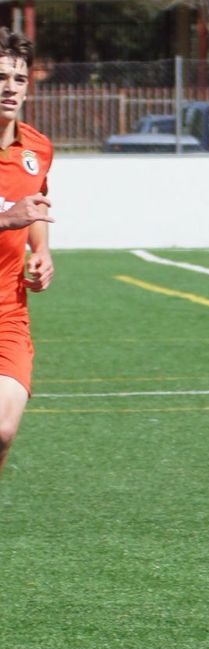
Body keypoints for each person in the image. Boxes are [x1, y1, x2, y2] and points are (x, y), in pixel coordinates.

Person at [0, 29, 54, 483]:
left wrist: (42, 250)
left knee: (1, 429)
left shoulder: (38, 148)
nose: (9, 87)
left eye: (18, 79)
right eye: (0, 77)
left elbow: (34, 205)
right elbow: (13, 212)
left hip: (8, 312)